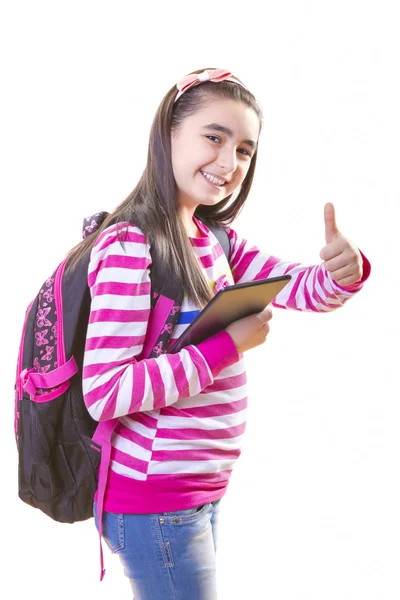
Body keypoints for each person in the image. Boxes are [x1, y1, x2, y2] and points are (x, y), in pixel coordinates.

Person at [71, 68, 370, 599]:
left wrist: (343, 271)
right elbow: (105, 392)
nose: (229, 164)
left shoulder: (212, 239)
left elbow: (303, 290)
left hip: (196, 493)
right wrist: (227, 345)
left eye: (245, 150)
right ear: (169, 135)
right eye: (214, 137)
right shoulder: (130, 245)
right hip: (156, 501)